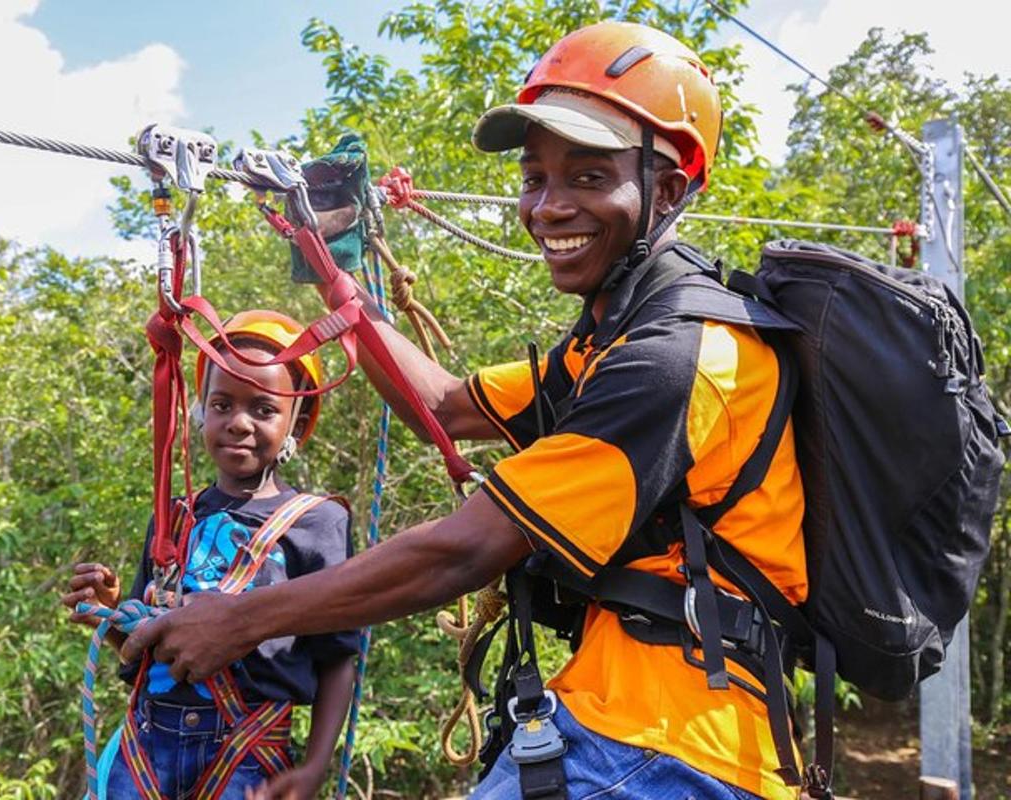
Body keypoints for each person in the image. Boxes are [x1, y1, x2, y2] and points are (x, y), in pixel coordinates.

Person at [123, 22, 808, 800]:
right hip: (631, 727)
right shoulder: (609, 343)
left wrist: (239, 620)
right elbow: (443, 406)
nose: (548, 208)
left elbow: (465, 550)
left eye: (587, 177)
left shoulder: (677, 359)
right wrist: (329, 262)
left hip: (675, 746)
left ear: (672, 189)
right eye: (535, 178)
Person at [63, 310, 359, 800]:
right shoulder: (173, 519)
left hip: (249, 749)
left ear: (296, 422)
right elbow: (142, 655)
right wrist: (111, 614)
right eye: (222, 404)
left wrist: (314, 767)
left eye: (263, 410)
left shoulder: (318, 523)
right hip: (148, 742)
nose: (238, 423)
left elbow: (336, 657)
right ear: (202, 410)